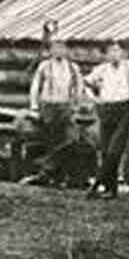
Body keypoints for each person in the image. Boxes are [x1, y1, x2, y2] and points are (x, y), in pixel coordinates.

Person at [24, 25, 85, 187]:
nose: (58, 51)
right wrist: (34, 106)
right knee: (52, 141)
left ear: (66, 50)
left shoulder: (73, 68)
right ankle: (56, 178)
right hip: (48, 107)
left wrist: (76, 104)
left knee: (70, 139)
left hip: (66, 107)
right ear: (50, 50)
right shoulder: (44, 66)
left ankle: (47, 171)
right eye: (55, 48)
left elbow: (79, 86)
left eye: (62, 48)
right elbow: (35, 87)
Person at [85, 40, 129, 199]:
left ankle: (97, 184)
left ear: (123, 53)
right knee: (105, 149)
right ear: (106, 54)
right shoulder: (101, 70)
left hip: (124, 109)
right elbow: (86, 82)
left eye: (118, 51)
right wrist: (95, 99)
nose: (115, 54)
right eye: (111, 51)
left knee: (115, 151)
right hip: (106, 110)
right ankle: (111, 188)